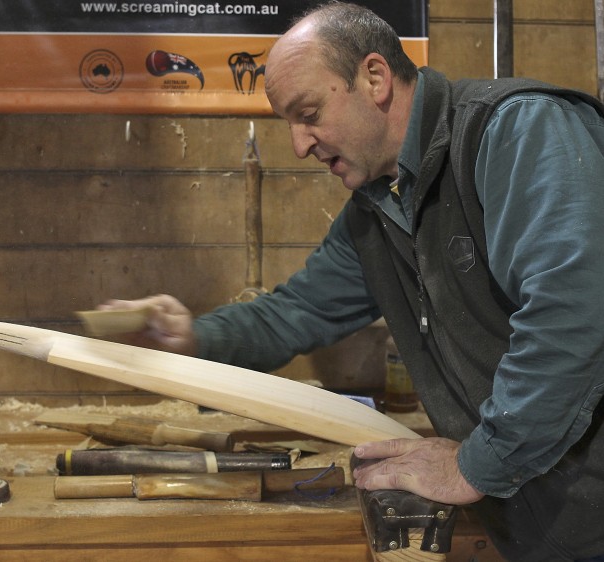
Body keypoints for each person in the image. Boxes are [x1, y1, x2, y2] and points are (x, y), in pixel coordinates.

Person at [100, 2, 604, 560]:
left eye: (309, 112)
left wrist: (474, 465)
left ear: (375, 77)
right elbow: (297, 311)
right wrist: (193, 339)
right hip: (537, 523)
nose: (299, 144)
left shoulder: (516, 131)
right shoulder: (378, 211)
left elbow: (573, 315)